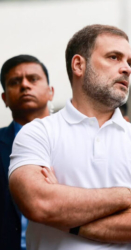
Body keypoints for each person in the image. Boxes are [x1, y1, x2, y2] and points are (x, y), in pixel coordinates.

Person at [8, 24, 131, 250]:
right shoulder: (37, 133)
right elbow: (39, 203)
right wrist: (127, 197)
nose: (126, 68)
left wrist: (69, 222)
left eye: (130, 62)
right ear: (79, 65)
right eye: (114, 57)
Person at [0, 55, 54, 250]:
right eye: (15, 82)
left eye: (33, 79)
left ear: (51, 92)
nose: (24, 85)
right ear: (4, 98)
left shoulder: (80, 139)